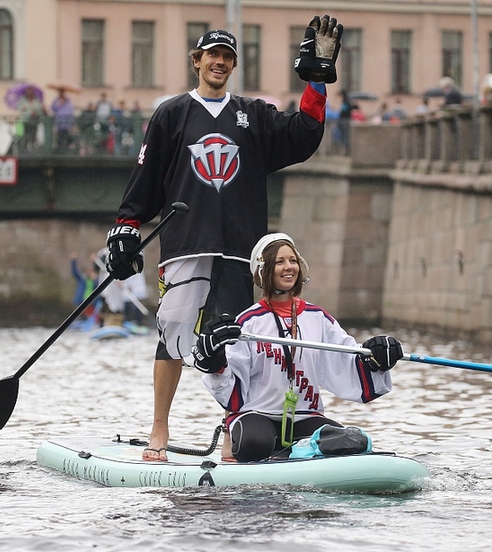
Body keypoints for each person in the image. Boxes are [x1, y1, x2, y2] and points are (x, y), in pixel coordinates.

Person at [104, 16, 343, 461]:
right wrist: (125, 231)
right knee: (173, 332)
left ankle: (234, 432)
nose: (219, 62)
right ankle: (159, 427)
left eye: (227, 57)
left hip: (239, 247)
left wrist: (316, 81)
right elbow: (145, 179)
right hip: (185, 243)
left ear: (233, 65)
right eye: (212, 55)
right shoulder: (171, 114)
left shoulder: (253, 115)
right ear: (197, 61)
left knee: (234, 342)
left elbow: (303, 135)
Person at [192, 233, 404, 462]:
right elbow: (229, 385)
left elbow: (349, 358)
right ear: (263, 271)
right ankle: (290, 455)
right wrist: (213, 359)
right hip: (256, 415)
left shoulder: (319, 318)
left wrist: (376, 358)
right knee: (253, 444)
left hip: (305, 416)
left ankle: (295, 453)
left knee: (354, 442)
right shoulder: (247, 322)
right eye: (280, 262)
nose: (289, 267)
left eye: (293, 260)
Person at [17, 86, 45, 153]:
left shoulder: (36, 100)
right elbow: (19, 108)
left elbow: (39, 109)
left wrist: (36, 112)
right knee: (24, 136)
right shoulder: (23, 100)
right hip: (25, 121)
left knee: (33, 136)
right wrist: (25, 109)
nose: (30, 92)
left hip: (34, 121)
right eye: (28, 90)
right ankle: (23, 149)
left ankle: (32, 149)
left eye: (31, 90)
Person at [51, 89, 75, 154]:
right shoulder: (56, 100)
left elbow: (71, 111)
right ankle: (60, 151)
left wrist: (71, 122)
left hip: (67, 123)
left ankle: (66, 151)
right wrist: (58, 104)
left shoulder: (68, 101)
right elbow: (53, 108)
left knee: (66, 137)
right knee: (60, 137)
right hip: (59, 123)